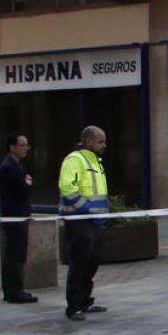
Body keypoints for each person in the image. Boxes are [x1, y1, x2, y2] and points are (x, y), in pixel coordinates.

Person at [58, 125, 110, 321]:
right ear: (88, 141)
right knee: (79, 263)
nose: (104, 145)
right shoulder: (75, 159)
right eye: (100, 141)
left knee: (91, 262)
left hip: (94, 221)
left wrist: (103, 211)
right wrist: (85, 208)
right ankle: (73, 306)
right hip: (79, 220)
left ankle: (85, 301)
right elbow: (67, 187)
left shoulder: (95, 160)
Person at [0, 132, 37, 303]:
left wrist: (27, 182)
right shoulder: (9, 167)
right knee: (14, 255)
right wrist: (28, 182)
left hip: (20, 214)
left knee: (17, 254)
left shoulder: (18, 166)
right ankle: (14, 291)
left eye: (26, 145)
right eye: (22, 145)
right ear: (12, 147)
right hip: (14, 216)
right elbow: (23, 189)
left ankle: (14, 289)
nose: (25, 148)